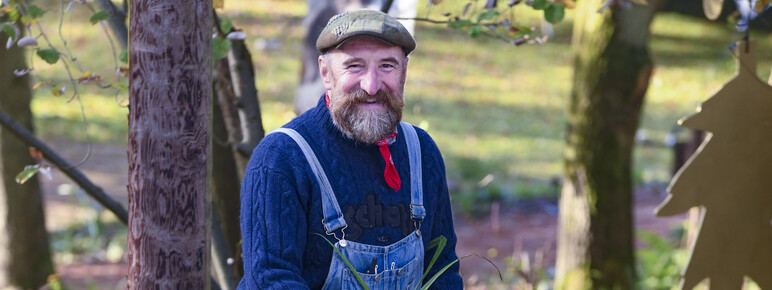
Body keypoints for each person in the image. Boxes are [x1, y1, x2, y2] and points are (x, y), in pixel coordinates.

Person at [238, 9, 463, 289]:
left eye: (386, 66)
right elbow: (271, 280)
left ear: (404, 71)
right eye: (354, 66)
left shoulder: (421, 152)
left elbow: (444, 273)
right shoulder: (282, 159)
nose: (371, 86)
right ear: (325, 72)